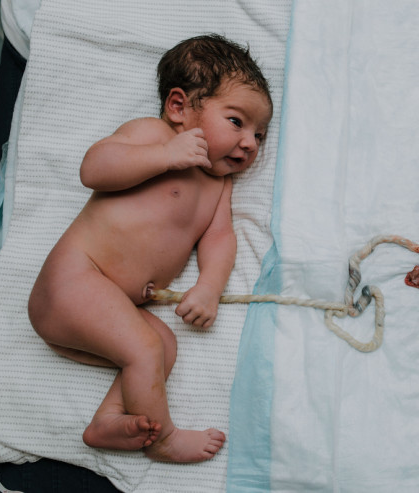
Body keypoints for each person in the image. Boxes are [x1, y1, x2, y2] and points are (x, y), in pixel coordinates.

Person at [27, 34, 273, 463]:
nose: (251, 143)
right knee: (146, 348)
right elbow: (93, 169)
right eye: (237, 122)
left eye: (260, 135)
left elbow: (219, 239)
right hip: (75, 279)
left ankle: (109, 418)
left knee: (162, 345)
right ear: (178, 107)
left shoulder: (218, 187)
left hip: (108, 303)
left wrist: (209, 286)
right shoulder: (150, 134)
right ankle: (163, 441)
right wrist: (164, 155)